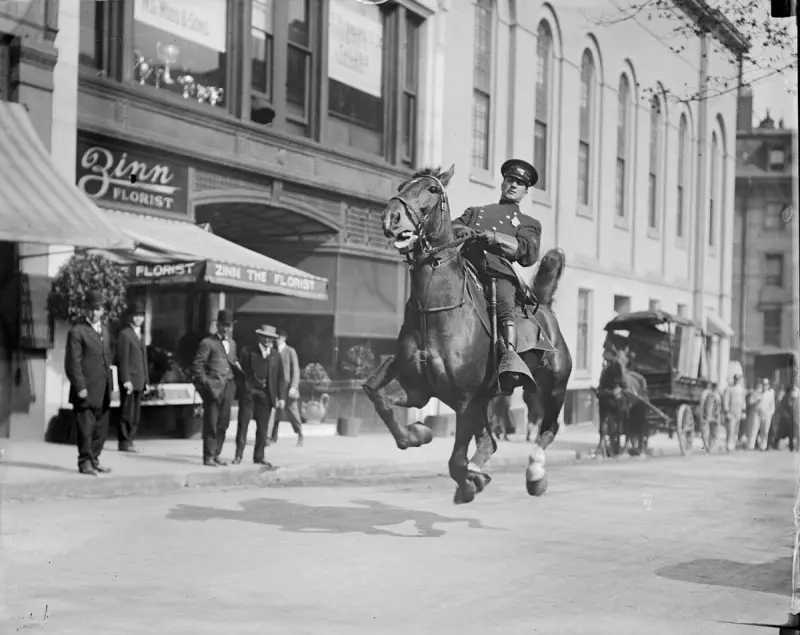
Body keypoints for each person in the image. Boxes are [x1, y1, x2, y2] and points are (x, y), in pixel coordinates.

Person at [451, 158, 542, 395]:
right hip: (466, 266)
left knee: (504, 302)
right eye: (510, 180)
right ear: (502, 183)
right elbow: (452, 227)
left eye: (519, 184)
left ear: (525, 192)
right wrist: (465, 230)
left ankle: (510, 361)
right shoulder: (476, 212)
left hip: (498, 273)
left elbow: (528, 253)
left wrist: (497, 238)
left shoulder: (528, 223)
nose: (513, 185)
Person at [65, 289, 114, 475]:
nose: (94, 313)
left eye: (98, 309)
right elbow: (72, 363)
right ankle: (84, 461)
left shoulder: (106, 331)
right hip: (85, 389)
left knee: (100, 429)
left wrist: (112, 386)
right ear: (85, 310)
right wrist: (80, 386)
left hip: (103, 389)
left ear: (103, 311)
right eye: (91, 309)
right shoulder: (77, 331)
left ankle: (94, 459)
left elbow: (107, 359)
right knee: (86, 428)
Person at [192, 309, 241, 466]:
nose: (226, 329)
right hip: (213, 388)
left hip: (228, 387)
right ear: (217, 325)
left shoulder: (232, 344)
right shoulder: (208, 343)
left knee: (223, 423)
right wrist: (206, 383)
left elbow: (232, 362)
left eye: (229, 326)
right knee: (211, 423)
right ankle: (208, 456)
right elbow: (198, 365)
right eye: (223, 325)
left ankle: (216, 454)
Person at [234, 324, 285, 467]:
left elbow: (281, 377)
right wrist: (244, 388)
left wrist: (281, 397)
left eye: (272, 338)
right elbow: (239, 373)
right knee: (243, 424)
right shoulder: (248, 351)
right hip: (249, 393)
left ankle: (259, 456)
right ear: (260, 337)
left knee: (263, 427)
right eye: (266, 337)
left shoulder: (276, 355)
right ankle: (238, 455)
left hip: (266, 394)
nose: (269, 340)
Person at [116, 300, 149, 453]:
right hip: (130, 380)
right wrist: (125, 379)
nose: (138, 319)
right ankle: (124, 441)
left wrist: (146, 380)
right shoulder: (125, 334)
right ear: (130, 317)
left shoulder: (140, 335)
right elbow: (123, 359)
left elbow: (144, 359)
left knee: (136, 413)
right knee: (126, 412)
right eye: (135, 315)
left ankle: (131, 439)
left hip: (140, 380)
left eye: (140, 316)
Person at [271, 328, 304, 447]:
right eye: (275, 338)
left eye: (279, 337)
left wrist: (294, 386)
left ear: (284, 338)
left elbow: (295, 370)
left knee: (292, 411)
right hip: (275, 386)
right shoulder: (273, 351)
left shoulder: (290, 351)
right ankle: (273, 436)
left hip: (287, 387)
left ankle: (300, 433)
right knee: (275, 411)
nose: (276, 340)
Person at [749, 377, 776, 451]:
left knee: (765, 431)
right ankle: (751, 446)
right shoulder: (757, 392)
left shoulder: (770, 394)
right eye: (763, 384)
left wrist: (770, 414)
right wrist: (756, 400)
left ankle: (763, 446)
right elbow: (750, 401)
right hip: (757, 414)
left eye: (766, 384)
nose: (765, 386)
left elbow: (772, 406)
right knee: (754, 430)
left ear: (768, 385)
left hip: (766, 415)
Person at [722, 374, 746, 452]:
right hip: (731, 411)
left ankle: (733, 444)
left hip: (738, 411)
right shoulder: (729, 389)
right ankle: (729, 444)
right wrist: (726, 410)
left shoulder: (741, 389)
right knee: (730, 429)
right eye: (736, 379)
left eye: (738, 379)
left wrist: (743, 411)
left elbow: (743, 401)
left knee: (736, 428)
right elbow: (726, 399)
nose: (737, 381)